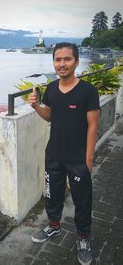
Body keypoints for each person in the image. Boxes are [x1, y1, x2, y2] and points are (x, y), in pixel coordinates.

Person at [28, 42, 100, 265]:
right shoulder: (50, 89)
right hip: (54, 155)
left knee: (82, 201)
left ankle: (83, 238)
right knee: (52, 195)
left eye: (67, 59)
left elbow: (93, 127)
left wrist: (88, 159)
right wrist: (36, 106)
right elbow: (49, 116)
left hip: (78, 158)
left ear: (76, 62)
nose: (62, 64)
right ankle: (54, 226)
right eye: (57, 60)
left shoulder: (88, 91)